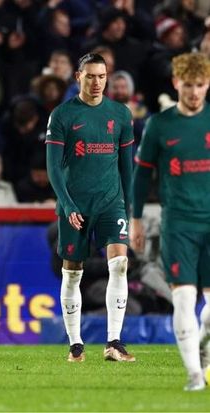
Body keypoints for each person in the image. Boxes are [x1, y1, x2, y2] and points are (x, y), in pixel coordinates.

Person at [45, 53, 135, 363]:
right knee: (72, 274)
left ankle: (114, 342)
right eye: (90, 76)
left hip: (111, 202)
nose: (96, 82)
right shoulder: (62, 115)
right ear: (78, 78)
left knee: (120, 264)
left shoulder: (120, 114)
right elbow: (53, 168)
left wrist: (129, 210)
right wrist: (67, 204)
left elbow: (127, 167)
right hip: (75, 205)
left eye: (101, 76)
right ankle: (76, 345)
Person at [130, 52, 210, 391]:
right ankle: (194, 375)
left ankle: (203, 342)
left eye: (200, 85)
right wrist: (135, 219)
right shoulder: (159, 125)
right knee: (184, 298)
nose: (194, 92)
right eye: (188, 85)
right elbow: (141, 175)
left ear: (208, 84)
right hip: (178, 224)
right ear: (176, 83)